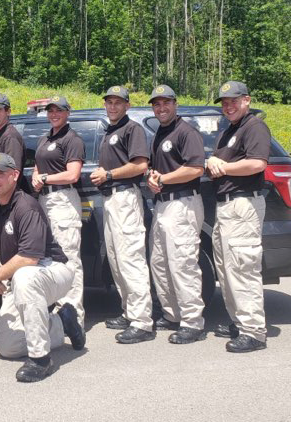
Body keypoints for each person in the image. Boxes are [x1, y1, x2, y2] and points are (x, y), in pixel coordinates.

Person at [0, 153, 85, 383]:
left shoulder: (27, 206)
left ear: (15, 175)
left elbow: (28, 258)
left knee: (25, 277)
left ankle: (41, 360)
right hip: (20, 276)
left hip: (54, 270)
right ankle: (62, 322)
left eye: (0, 174)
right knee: (8, 347)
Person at [207, 81, 270, 353]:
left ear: (247, 100)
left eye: (233, 100)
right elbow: (219, 166)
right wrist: (212, 161)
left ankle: (254, 332)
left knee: (243, 269)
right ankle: (239, 322)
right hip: (226, 208)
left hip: (243, 206)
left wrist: (224, 166)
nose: (228, 105)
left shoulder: (254, 127)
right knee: (227, 269)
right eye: (224, 102)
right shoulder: (230, 130)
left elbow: (257, 163)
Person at [90, 85, 155, 344]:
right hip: (111, 200)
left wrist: (108, 174)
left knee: (131, 259)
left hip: (125, 197)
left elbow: (140, 165)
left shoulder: (132, 129)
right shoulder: (110, 131)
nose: (113, 106)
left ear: (127, 105)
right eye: (109, 102)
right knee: (117, 260)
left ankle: (142, 322)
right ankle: (129, 312)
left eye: (118, 102)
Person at [146, 85, 207, 344]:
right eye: (157, 104)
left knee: (182, 264)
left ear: (175, 104)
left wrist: (163, 179)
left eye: (166, 103)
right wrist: (152, 176)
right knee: (160, 263)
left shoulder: (186, 131)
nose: (161, 108)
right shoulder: (161, 133)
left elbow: (196, 168)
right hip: (163, 204)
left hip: (182, 204)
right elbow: (156, 167)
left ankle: (193, 323)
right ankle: (173, 314)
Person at [31, 95, 86, 329]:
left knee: (68, 259)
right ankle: (58, 317)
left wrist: (44, 178)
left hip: (63, 199)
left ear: (68, 112)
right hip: (45, 200)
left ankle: (74, 317)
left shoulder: (72, 139)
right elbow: (38, 164)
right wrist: (36, 175)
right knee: (51, 260)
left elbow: (73, 174)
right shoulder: (46, 137)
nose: (54, 114)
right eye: (50, 110)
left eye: (59, 110)